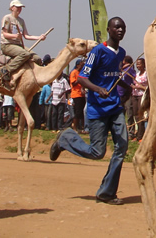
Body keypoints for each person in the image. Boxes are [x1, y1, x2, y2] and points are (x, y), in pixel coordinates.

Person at [50, 17, 130, 205]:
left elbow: (114, 77)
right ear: (108, 29)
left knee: (122, 147)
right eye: (117, 27)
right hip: (97, 109)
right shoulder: (98, 51)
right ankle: (66, 139)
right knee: (97, 152)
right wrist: (98, 89)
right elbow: (82, 78)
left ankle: (107, 192)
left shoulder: (121, 53)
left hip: (115, 107)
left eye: (123, 28)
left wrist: (126, 87)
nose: (120, 30)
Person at [0, 0, 48, 85]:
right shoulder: (7, 18)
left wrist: (39, 37)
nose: (19, 9)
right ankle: (6, 70)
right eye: (17, 7)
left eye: (21, 7)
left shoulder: (21, 21)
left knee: (37, 58)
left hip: (19, 45)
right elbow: (4, 34)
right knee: (25, 54)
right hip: (7, 44)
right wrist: (15, 36)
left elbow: (26, 36)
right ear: (12, 8)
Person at [130, 58, 148, 140]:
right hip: (135, 95)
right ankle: (138, 135)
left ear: (144, 64)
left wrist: (140, 87)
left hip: (142, 95)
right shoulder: (136, 75)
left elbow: (148, 88)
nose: (138, 66)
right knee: (136, 115)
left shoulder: (146, 74)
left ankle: (141, 135)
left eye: (139, 64)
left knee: (141, 115)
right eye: (137, 64)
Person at [70, 59, 86, 132]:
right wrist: (79, 80)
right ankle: (75, 127)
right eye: (80, 64)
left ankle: (82, 127)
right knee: (78, 112)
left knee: (82, 112)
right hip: (76, 94)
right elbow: (73, 83)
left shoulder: (81, 73)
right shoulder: (74, 72)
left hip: (82, 94)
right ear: (77, 65)